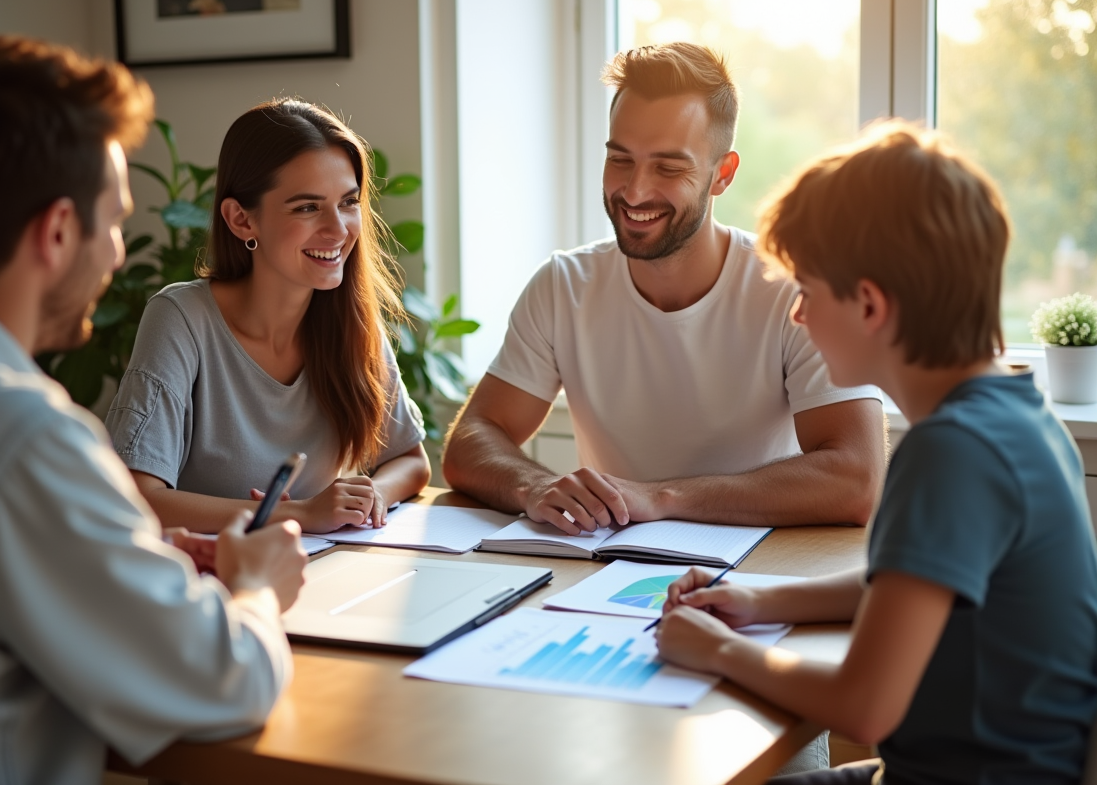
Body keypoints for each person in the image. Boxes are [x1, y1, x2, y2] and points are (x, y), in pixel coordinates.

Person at [0, 36, 308, 784]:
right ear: (56, 232)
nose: (118, 253)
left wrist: (123, 557)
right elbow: (227, 684)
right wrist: (254, 584)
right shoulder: (22, 440)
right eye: (113, 221)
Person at [655, 121, 1097, 784]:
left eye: (805, 291)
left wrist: (721, 651)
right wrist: (757, 599)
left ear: (869, 305)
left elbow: (865, 708)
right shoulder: (1014, 416)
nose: (798, 315)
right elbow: (903, 586)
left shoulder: (953, 451)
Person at [441, 42, 886, 537]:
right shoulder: (563, 286)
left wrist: (660, 497)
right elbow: (471, 441)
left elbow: (856, 478)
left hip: (755, 573)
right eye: (620, 159)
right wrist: (534, 487)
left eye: (669, 168)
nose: (634, 191)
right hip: (608, 566)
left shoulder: (793, 290)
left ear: (722, 175)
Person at [105, 99, 431, 534]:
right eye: (307, 207)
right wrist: (299, 515)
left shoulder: (351, 320)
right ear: (241, 220)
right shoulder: (180, 319)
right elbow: (135, 496)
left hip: (315, 571)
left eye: (348, 202)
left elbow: (410, 460)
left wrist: (375, 493)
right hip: (205, 582)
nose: (338, 230)